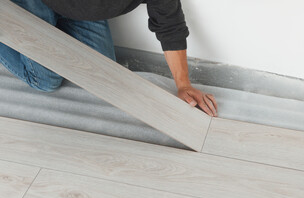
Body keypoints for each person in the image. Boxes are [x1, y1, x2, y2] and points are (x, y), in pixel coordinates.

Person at [0, 0, 218, 117]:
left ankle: (57, 21)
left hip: (79, 10)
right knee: (45, 80)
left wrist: (183, 85)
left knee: (103, 77)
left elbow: (170, 25)